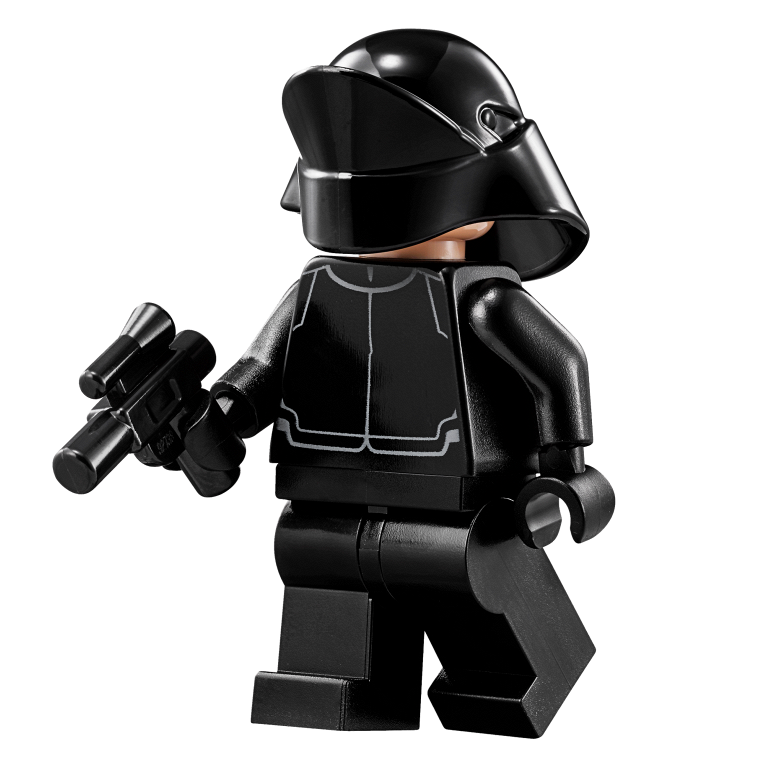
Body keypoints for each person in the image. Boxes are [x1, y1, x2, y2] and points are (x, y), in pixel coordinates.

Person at [200, 28, 615, 737]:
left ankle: (502, 686)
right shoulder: (314, 292)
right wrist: (213, 418)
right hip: (322, 507)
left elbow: (559, 367)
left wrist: (566, 472)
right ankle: (338, 690)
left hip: (461, 512)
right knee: (326, 596)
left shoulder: (484, 300)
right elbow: (261, 372)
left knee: (478, 607)